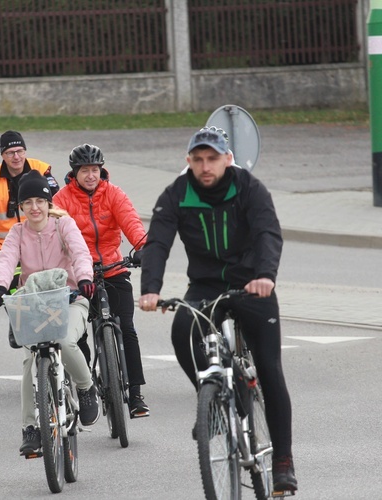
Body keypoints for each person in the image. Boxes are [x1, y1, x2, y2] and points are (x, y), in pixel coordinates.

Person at [137, 126, 297, 492]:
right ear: (189, 162)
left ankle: (284, 460)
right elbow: (158, 242)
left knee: (270, 369)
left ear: (227, 159)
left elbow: (267, 232)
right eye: (198, 159)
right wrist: (150, 290)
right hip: (206, 286)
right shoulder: (176, 194)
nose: (205, 166)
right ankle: (212, 401)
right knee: (182, 332)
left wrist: (265, 276)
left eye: (212, 159)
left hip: (251, 283)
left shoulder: (249, 188)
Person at [0, 170, 101, 456]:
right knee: (29, 362)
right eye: (28, 202)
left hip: (71, 298)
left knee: (64, 340)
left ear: (49, 204)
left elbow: (80, 253)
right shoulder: (17, 233)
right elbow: (6, 261)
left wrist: (85, 278)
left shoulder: (64, 226)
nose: (35, 207)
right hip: (35, 304)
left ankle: (86, 389)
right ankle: (31, 429)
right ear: (20, 207)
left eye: (40, 201)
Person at [52, 143, 150, 419]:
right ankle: (88, 386)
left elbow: (131, 222)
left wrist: (142, 246)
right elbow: (55, 234)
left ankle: (136, 394)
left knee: (127, 329)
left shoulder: (114, 194)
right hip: (80, 275)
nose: (91, 175)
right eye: (85, 170)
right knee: (78, 334)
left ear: (101, 170)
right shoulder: (61, 200)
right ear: (75, 173)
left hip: (114, 269)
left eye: (95, 169)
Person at [0, 130, 58, 268]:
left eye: (20, 151)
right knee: (13, 286)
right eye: (10, 153)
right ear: (2, 155)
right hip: (6, 246)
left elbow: (57, 204)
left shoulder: (41, 170)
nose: (16, 157)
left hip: (41, 241)